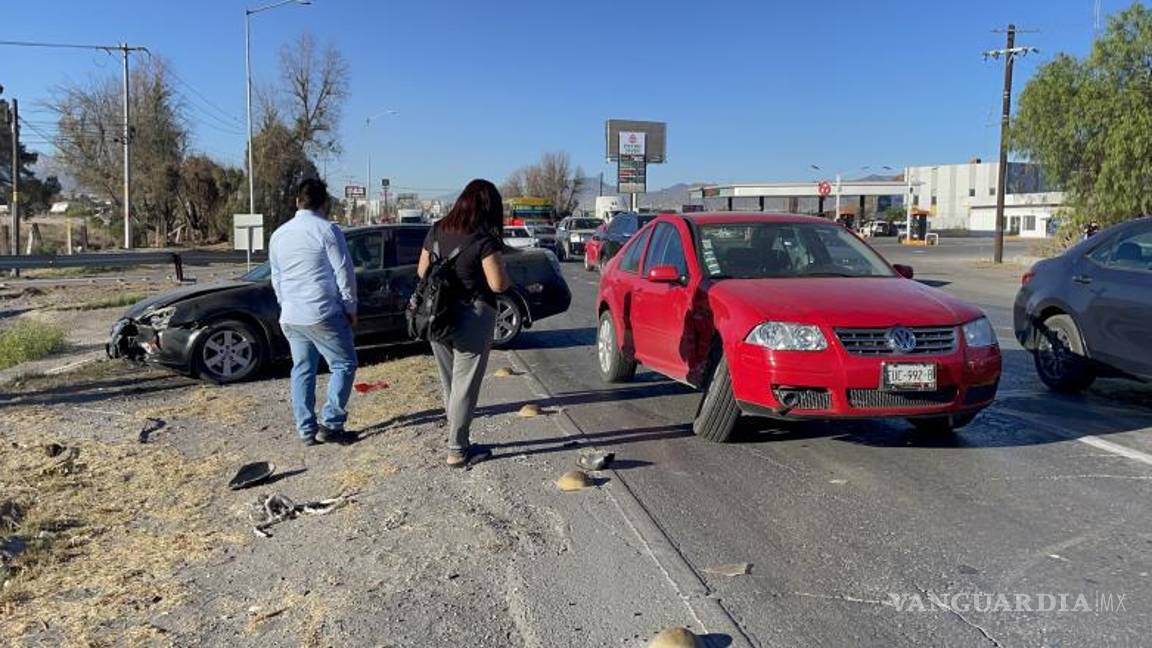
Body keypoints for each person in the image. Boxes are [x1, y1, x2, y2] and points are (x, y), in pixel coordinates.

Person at [417, 179, 511, 467]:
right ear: (488, 207)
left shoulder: (436, 230)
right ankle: (457, 449)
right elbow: (497, 284)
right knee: (465, 385)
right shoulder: (484, 238)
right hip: (472, 315)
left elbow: (422, 272)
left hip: (437, 315)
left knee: (451, 384)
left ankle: (458, 440)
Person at [269, 178, 359, 446]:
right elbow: (344, 271)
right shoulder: (327, 230)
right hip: (322, 311)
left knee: (302, 369)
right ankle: (331, 423)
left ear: (297, 201)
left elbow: (277, 277)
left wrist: (285, 303)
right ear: (325, 203)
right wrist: (350, 306)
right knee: (344, 363)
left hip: (291, 314)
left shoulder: (279, 234)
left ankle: (306, 429)